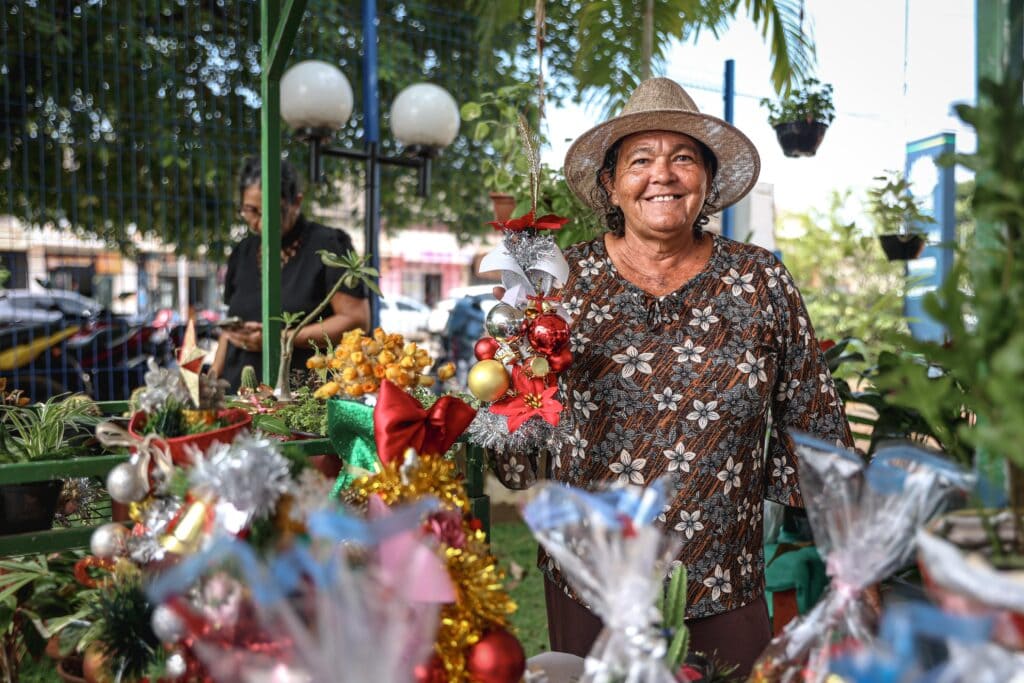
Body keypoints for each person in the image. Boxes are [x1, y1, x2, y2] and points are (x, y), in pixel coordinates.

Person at [494, 78, 854, 676]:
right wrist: (508, 361)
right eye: (641, 160)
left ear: (707, 181)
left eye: (683, 158)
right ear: (611, 183)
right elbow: (514, 442)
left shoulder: (760, 281)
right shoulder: (557, 282)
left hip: (724, 577)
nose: (663, 174)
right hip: (591, 580)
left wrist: (848, 554)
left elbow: (813, 419)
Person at [211, 157, 369, 391]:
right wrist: (211, 380)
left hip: (301, 394)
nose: (262, 223)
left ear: (296, 202)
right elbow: (229, 331)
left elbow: (356, 320)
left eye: (273, 212)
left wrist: (283, 339)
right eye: (251, 211)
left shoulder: (329, 245)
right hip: (239, 393)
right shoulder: (242, 252)